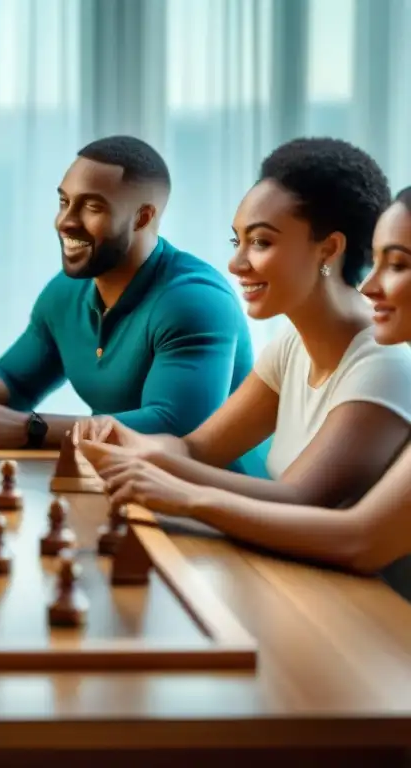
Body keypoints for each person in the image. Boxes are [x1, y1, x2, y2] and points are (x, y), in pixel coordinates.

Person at [77, 187, 411, 597]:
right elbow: (196, 448)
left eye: (397, 265)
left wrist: (188, 497)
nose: (371, 285)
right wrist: (139, 447)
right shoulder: (293, 344)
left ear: (329, 250)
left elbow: (356, 538)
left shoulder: (387, 362)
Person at [0, 135, 257, 472]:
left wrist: (31, 428)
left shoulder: (195, 300)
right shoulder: (67, 290)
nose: (66, 221)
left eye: (92, 206)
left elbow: (174, 428)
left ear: (142, 218)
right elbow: (14, 380)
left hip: (218, 505)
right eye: (64, 202)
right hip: (121, 482)